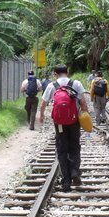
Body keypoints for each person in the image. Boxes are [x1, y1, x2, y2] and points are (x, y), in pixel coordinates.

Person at [39, 64, 91, 192]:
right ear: (67, 72)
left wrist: (41, 116)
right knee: (75, 146)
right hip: (74, 121)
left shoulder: (52, 86)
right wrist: (86, 116)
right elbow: (83, 102)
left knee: (62, 149)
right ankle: (74, 171)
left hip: (59, 123)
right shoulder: (76, 83)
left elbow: (43, 103)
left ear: (55, 74)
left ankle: (66, 181)